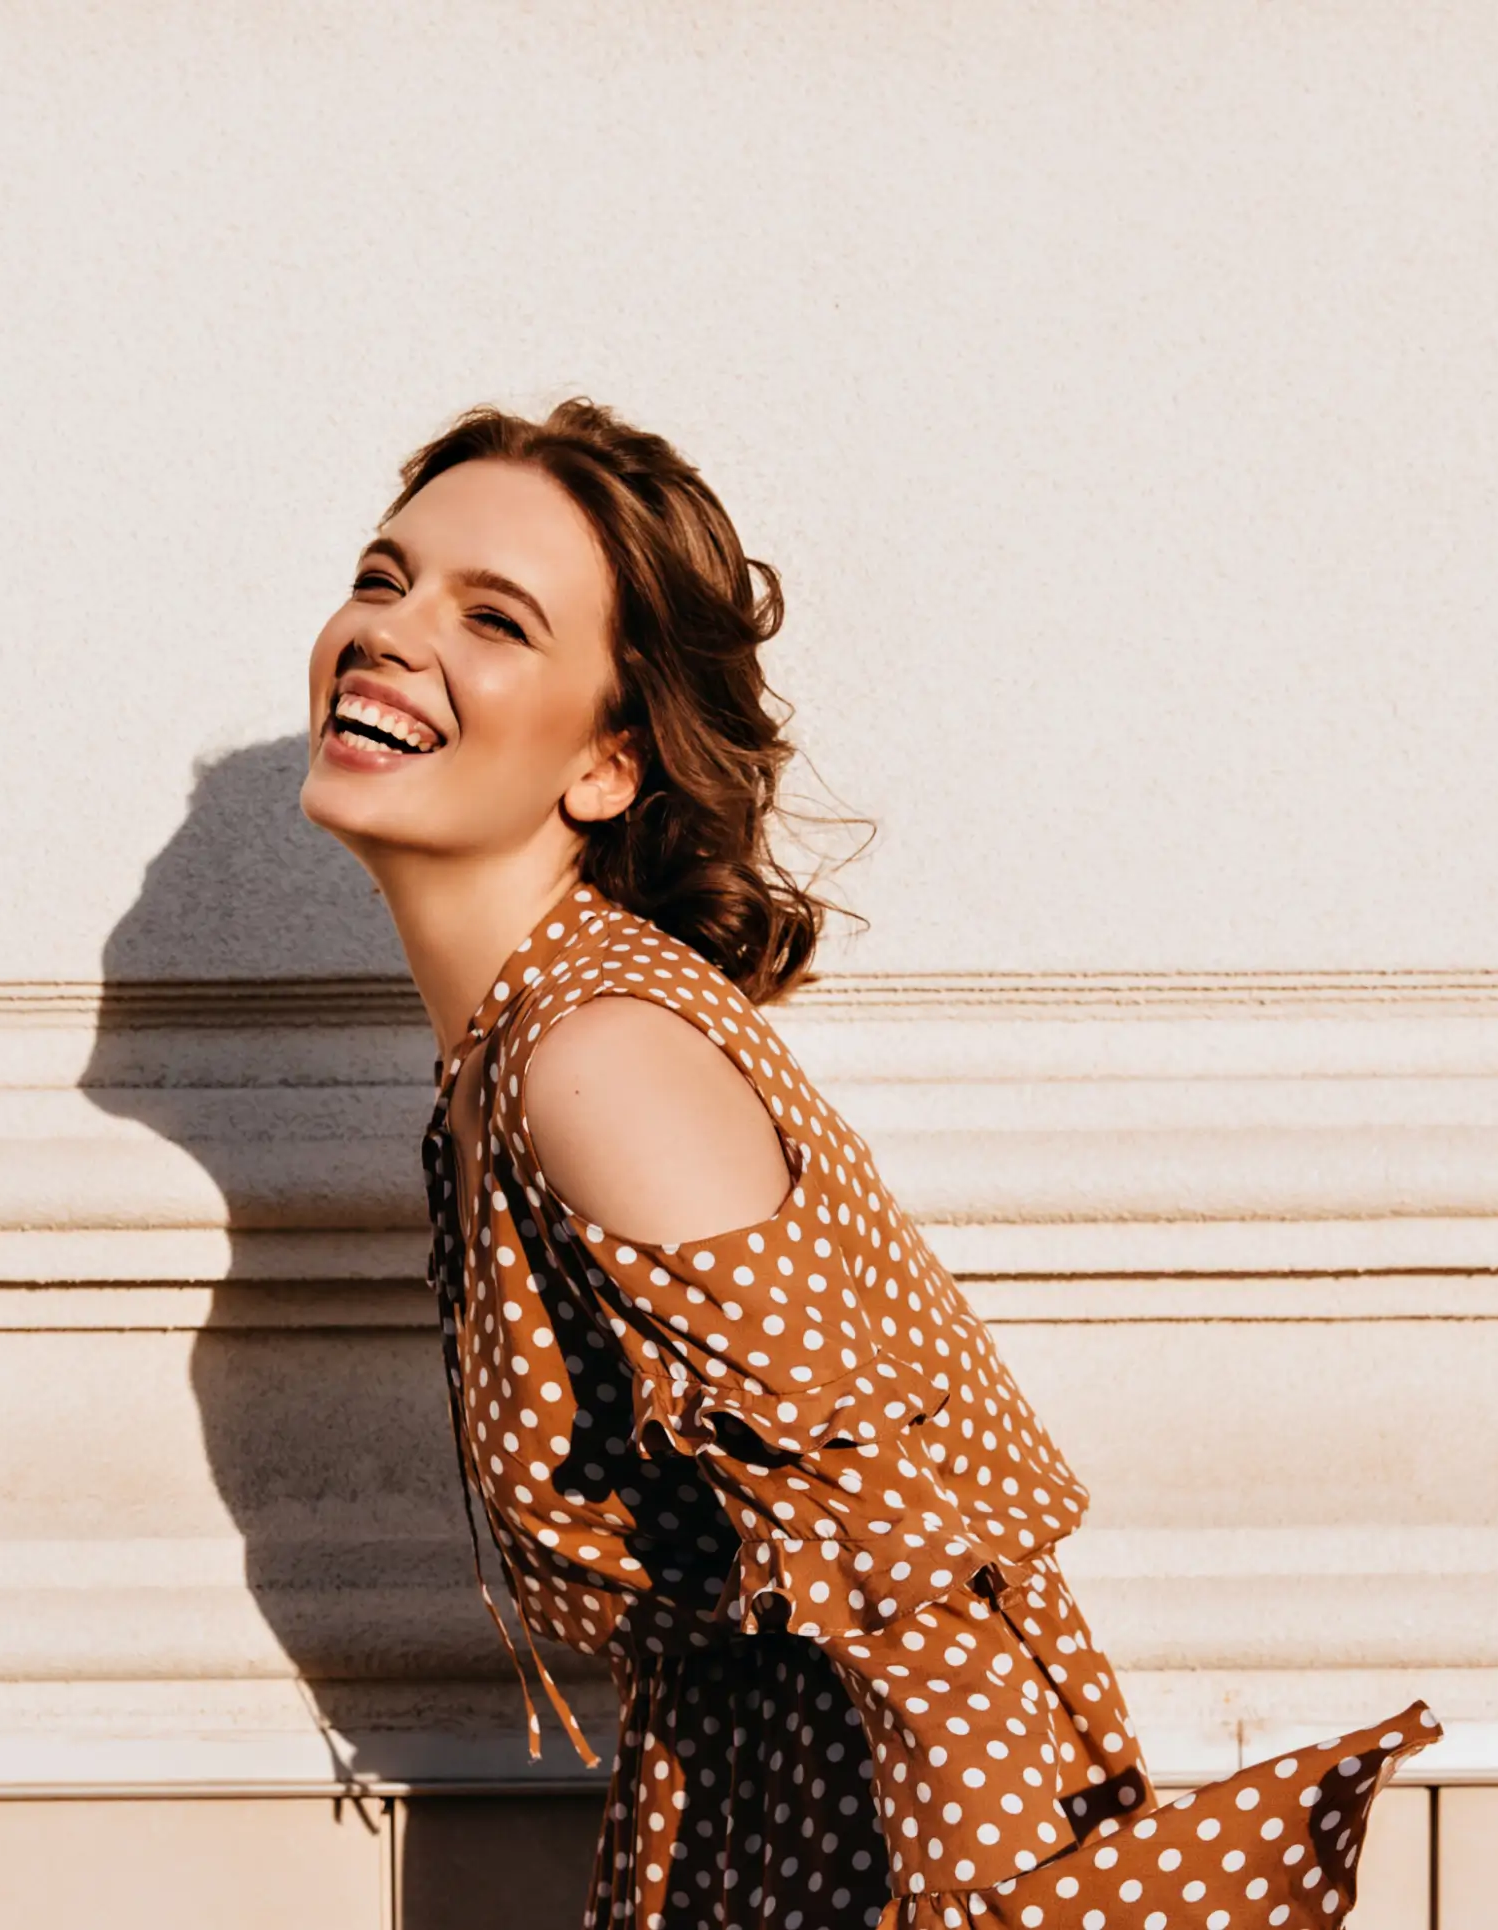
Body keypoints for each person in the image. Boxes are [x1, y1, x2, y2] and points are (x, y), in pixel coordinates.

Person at [300, 399, 1435, 1930]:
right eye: (385, 578)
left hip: (863, 1834)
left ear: (609, 764)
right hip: (753, 1807)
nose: (391, 631)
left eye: (492, 617)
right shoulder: (529, 1045)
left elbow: (905, 1566)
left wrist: (982, 1911)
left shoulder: (595, 1058)